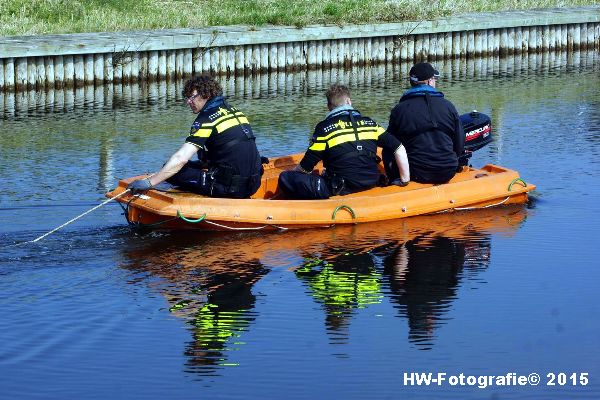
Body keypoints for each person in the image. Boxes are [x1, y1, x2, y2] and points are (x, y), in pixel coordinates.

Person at [127, 75, 263, 198]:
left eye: (191, 97)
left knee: (174, 171)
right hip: (254, 183)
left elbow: (181, 158)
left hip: (231, 189)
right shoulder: (234, 111)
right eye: (187, 98)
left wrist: (149, 182)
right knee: (184, 166)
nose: (188, 102)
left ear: (206, 94)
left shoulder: (205, 120)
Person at [278, 84, 409, 199]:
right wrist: (404, 180)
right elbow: (399, 148)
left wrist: (292, 172)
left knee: (285, 178)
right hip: (371, 182)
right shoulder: (370, 123)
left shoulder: (324, 128)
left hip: (342, 188)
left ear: (328, 106)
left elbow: (306, 168)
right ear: (349, 101)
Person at [383, 62, 464, 184]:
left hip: (416, 173)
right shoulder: (448, 106)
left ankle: (395, 181)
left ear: (412, 82)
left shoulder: (399, 110)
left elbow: (391, 145)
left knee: (387, 145)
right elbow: (459, 142)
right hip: (448, 171)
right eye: (435, 79)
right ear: (429, 81)